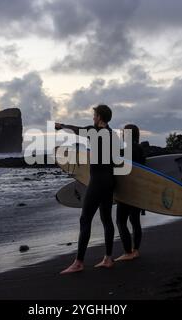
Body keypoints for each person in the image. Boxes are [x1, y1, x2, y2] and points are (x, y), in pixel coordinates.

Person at [55, 105, 117, 274]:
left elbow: (77, 129)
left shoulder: (94, 131)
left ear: (100, 117)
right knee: (106, 219)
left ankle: (79, 262)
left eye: (94, 115)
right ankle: (108, 258)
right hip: (110, 180)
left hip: (97, 181)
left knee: (85, 219)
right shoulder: (112, 134)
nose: (93, 118)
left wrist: (61, 126)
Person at [115, 124, 146, 261]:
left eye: (123, 132)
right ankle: (136, 250)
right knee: (135, 221)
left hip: (127, 191)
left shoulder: (125, 150)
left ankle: (128, 252)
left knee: (121, 221)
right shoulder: (140, 149)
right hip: (139, 190)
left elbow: (120, 172)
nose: (121, 134)